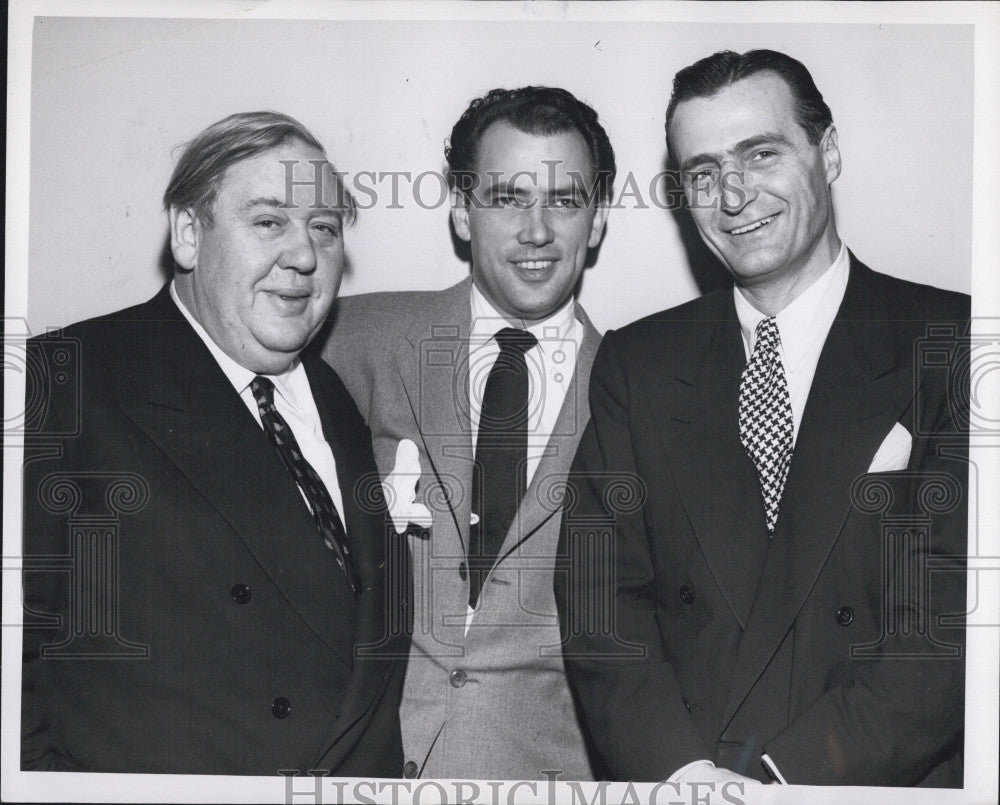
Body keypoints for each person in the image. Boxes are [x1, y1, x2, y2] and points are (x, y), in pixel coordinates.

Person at [556, 49, 969, 790]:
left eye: (761, 154)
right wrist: (682, 773)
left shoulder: (953, 344)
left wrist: (776, 779)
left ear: (829, 152)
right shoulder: (639, 363)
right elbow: (599, 598)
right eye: (704, 173)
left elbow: (954, 623)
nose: (735, 195)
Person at [21, 111, 408, 775]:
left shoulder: (337, 399)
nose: (306, 254)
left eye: (324, 226)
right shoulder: (65, 380)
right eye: (268, 221)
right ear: (189, 234)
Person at [322, 86, 614, 780]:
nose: (537, 230)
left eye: (565, 200)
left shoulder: (639, 393)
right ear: (461, 209)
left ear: (597, 220)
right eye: (508, 197)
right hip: (357, 768)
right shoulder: (350, 339)